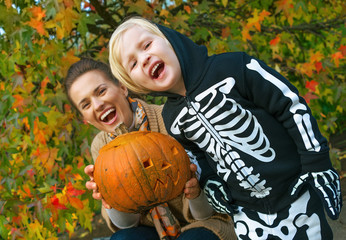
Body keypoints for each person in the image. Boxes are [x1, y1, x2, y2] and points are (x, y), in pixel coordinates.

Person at [107, 16, 342, 239]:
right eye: (134, 64)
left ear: (170, 39)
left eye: (147, 45)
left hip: (295, 194)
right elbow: (198, 157)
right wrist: (211, 183)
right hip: (248, 215)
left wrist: (317, 163)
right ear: (134, 83)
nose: (144, 58)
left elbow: (290, 106)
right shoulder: (172, 116)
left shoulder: (233, 67)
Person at [64, 58, 236, 240]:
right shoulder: (101, 146)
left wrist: (196, 194)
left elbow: (207, 213)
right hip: (153, 231)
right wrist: (110, 199)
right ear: (87, 119)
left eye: (101, 91)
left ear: (122, 88)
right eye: (86, 104)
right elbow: (127, 225)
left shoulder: (170, 120)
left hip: (204, 223)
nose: (97, 105)